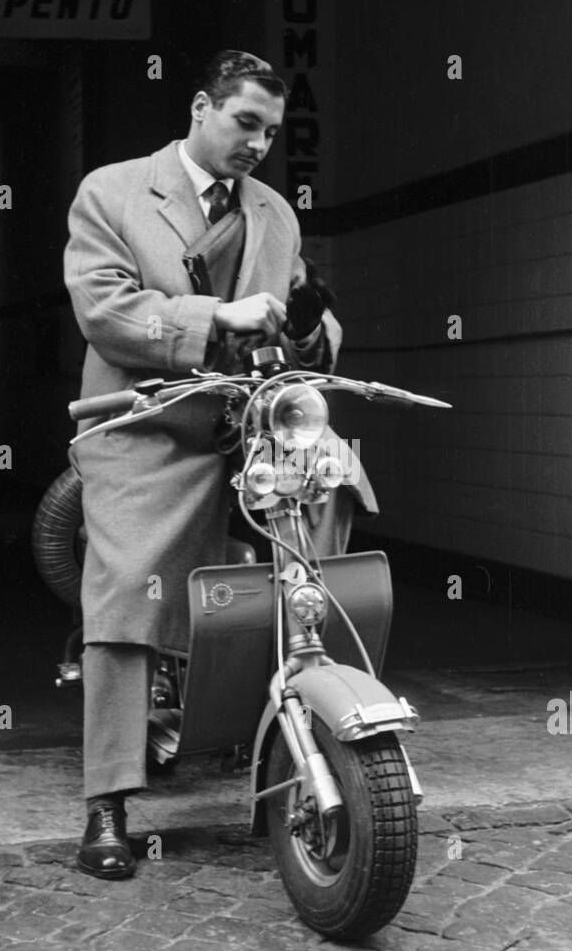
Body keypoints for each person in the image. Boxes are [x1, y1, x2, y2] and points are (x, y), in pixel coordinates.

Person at [64, 49, 374, 879]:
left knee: (328, 520)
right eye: (245, 123)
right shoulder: (113, 192)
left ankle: (304, 740)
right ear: (201, 107)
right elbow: (107, 312)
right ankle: (108, 805)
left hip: (250, 425)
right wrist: (215, 315)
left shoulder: (274, 211)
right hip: (147, 427)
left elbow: (303, 316)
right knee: (127, 593)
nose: (258, 145)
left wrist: (311, 328)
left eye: (271, 132)